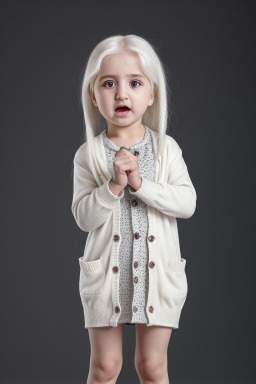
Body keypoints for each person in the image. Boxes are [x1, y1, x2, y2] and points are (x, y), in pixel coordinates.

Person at [71, 34, 197, 384]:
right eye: (109, 83)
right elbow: (83, 217)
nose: (122, 94)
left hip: (158, 279)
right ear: (94, 96)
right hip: (106, 279)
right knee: (105, 367)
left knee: (152, 367)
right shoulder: (90, 155)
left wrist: (142, 184)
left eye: (135, 83)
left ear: (151, 93)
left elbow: (187, 203)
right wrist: (113, 186)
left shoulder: (166, 149)